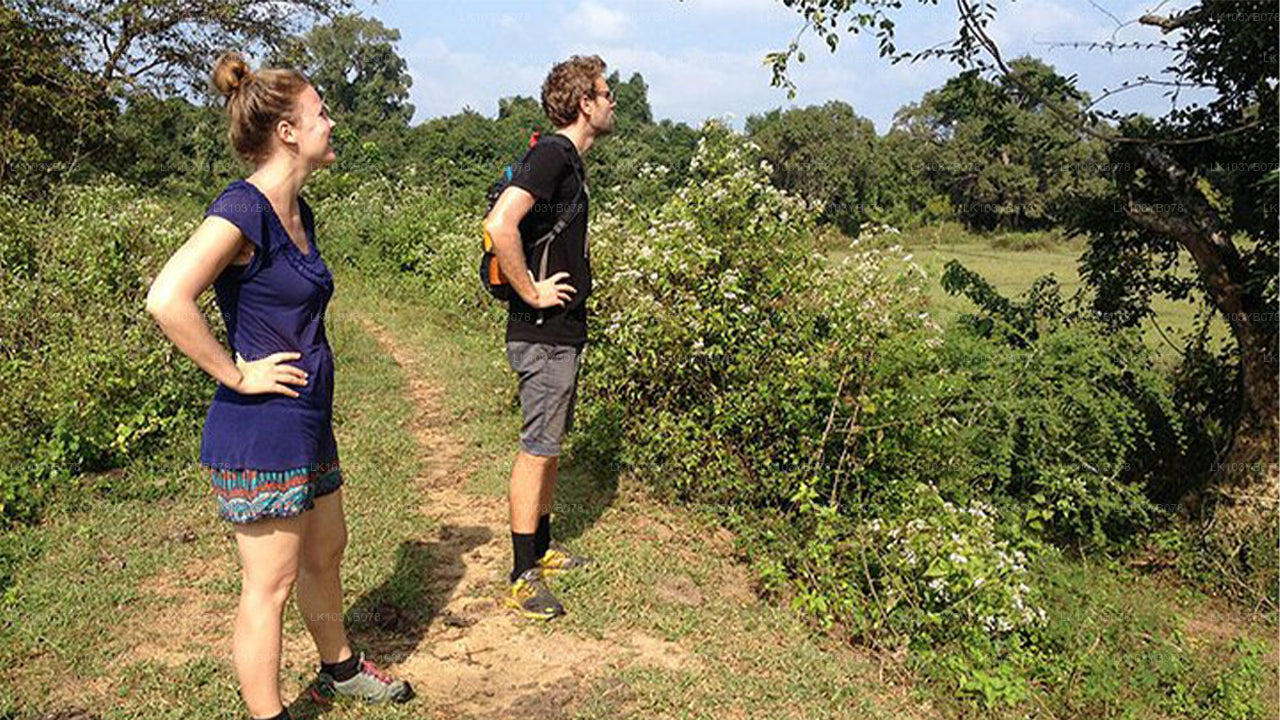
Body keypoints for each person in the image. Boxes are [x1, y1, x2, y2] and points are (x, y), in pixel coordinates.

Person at [145, 53, 412, 719]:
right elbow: (167, 298)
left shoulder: (299, 211)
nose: (331, 121)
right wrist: (236, 373)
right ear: (287, 131)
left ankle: (339, 669)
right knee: (270, 584)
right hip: (262, 428)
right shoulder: (244, 208)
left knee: (325, 551)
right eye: (321, 111)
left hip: (306, 419)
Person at [482, 55, 616, 620]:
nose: (612, 102)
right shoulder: (553, 154)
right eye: (606, 93)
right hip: (542, 331)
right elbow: (500, 224)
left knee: (551, 443)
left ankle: (541, 546)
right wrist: (532, 292)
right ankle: (522, 574)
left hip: (562, 330)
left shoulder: (567, 162)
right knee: (537, 447)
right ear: (585, 103)